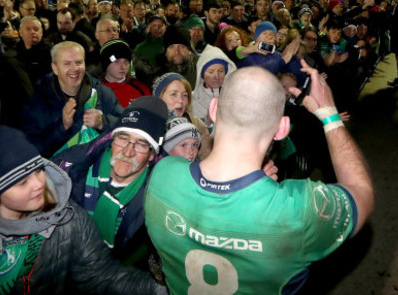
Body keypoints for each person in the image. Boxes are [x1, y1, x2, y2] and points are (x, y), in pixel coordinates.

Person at [144, 62, 374, 294]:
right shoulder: (297, 210)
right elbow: (361, 191)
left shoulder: (162, 174)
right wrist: (328, 113)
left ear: (213, 110)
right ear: (282, 129)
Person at [0, 126, 163, 294]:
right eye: (23, 183)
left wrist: (166, 290)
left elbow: (103, 275)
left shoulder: (69, 221)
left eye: (38, 171)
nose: (39, 184)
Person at [52, 96, 168, 268]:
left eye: (141, 144)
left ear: (152, 155)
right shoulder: (71, 169)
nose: (128, 152)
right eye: (122, 138)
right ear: (111, 139)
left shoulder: (156, 201)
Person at [151, 72, 213, 160]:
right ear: (159, 97)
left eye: (185, 95)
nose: (180, 100)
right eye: (173, 94)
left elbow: (208, 158)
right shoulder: (148, 124)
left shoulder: (196, 124)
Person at [191, 44, 236, 123]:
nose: (216, 76)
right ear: (202, 74)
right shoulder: (191, 101)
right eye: (211, 71)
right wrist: (208, 124)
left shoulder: (234, 98)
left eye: (221, 71)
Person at [99, 39, 150, 107]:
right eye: (116, 61)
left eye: (126, 61)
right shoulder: (93, 90)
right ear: (106, 64)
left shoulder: (141, 88)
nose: (123, 67)